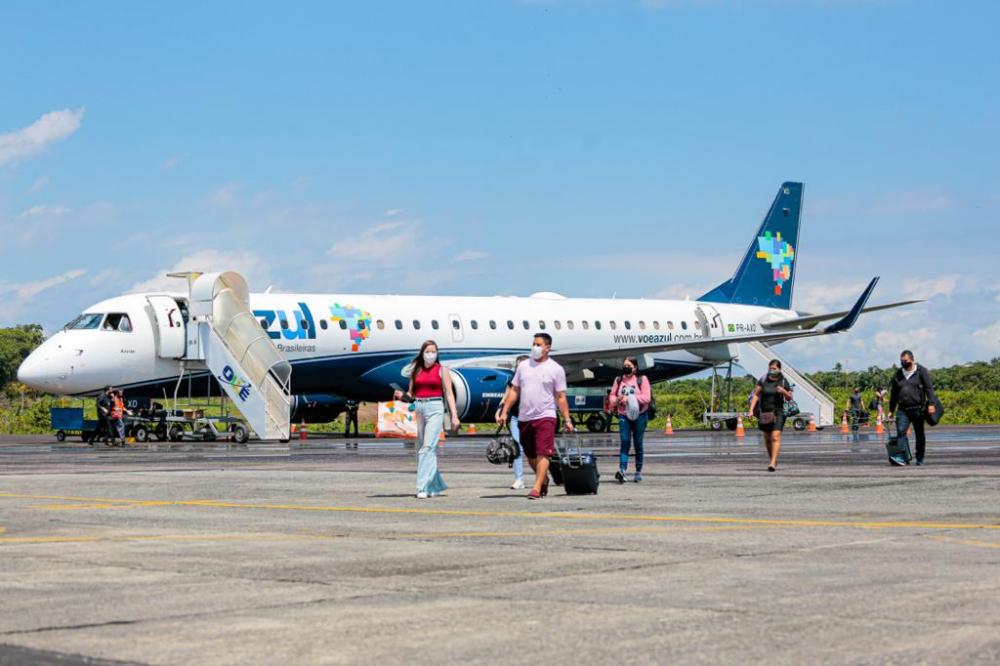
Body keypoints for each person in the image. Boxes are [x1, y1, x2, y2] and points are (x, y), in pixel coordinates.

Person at [496, 333, 574, 500]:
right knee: (530, 454)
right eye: (533, 344)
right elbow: (514, 390)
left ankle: (537, 487)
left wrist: (567, 419)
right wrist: (504, 411)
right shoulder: (523, 366)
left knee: (543, 452)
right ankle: (543, 478)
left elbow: (561, 396)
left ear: (548, 348)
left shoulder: (556, 369)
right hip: (525, 417)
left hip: (546, 415)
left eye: (538, 344)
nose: (535, 347)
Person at [393, 340, 460, 498]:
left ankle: (422, 487)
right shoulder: (416, 371)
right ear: (422, 353)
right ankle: (434, 486)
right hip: (419, 407)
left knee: (427, 448)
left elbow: (449, 393)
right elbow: (411, 394)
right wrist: (401, 395)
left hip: (435, 407)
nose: (431, 354)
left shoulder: (442, 370)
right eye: (428, 351)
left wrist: (454, 415)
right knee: (421, 448)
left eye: (433, 351)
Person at [888, 350, 938, 466]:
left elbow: (929, 388)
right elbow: (894, 394)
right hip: (902, 410)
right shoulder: (898, 374)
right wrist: (891, 410)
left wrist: (931, 404)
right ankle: (903, 457)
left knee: (919, 434)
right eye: (901, 361)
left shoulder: (921, 371)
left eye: (905, 361)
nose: (903, 363)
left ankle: (920, 458)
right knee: (901, 432)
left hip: (918, 409)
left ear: (911, 359)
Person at [608, 357, 651, 483]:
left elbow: (646, 398)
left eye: (629, 365)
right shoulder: (618, 380)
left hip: (640, 415)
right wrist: (618, 400)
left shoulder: (641, 380)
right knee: (625, 442)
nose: (626, 367)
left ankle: (638, 471)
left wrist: (631, 398)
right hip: (624, 415)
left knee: (638, 443)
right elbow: (612, 396)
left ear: (635, 368)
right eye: (624, 365)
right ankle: (622, 470)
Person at [748, 359, 793, 472]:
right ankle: (773, 459)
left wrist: (783, 392)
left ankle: (772, 463)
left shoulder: (783, 381)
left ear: (779, 369)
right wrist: (751, 410)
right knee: (767, 439)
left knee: (775, 436)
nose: (771, 371)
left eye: (774, 369)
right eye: (770, 368)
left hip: (778, 412)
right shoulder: (763, 380)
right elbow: (756, 395)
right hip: (764, 413)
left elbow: (789, 398)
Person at [496, 355, 529, 489]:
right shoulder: (513, 380)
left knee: (536, 448)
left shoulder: (534, 379)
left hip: (532, 417)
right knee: (517, 448)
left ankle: (542, 474)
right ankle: (519, 479)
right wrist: (500, 410)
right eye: (518, 365)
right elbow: (506, 396)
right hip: (516, 417)